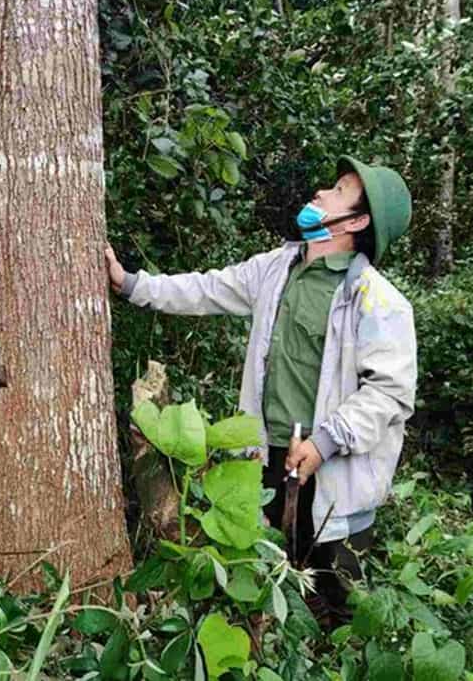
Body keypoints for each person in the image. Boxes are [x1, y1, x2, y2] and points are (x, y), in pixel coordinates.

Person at [105, 156, 416, 626]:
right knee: (270, 573)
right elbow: (207, 290)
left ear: (356, 221)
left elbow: (389, 395)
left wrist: (324, 442)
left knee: (334, 589)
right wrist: (131, 285)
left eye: (336, 191)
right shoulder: (278, 267)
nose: (320, 194)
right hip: (266, 453)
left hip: (331, 464)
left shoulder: (377, 300)